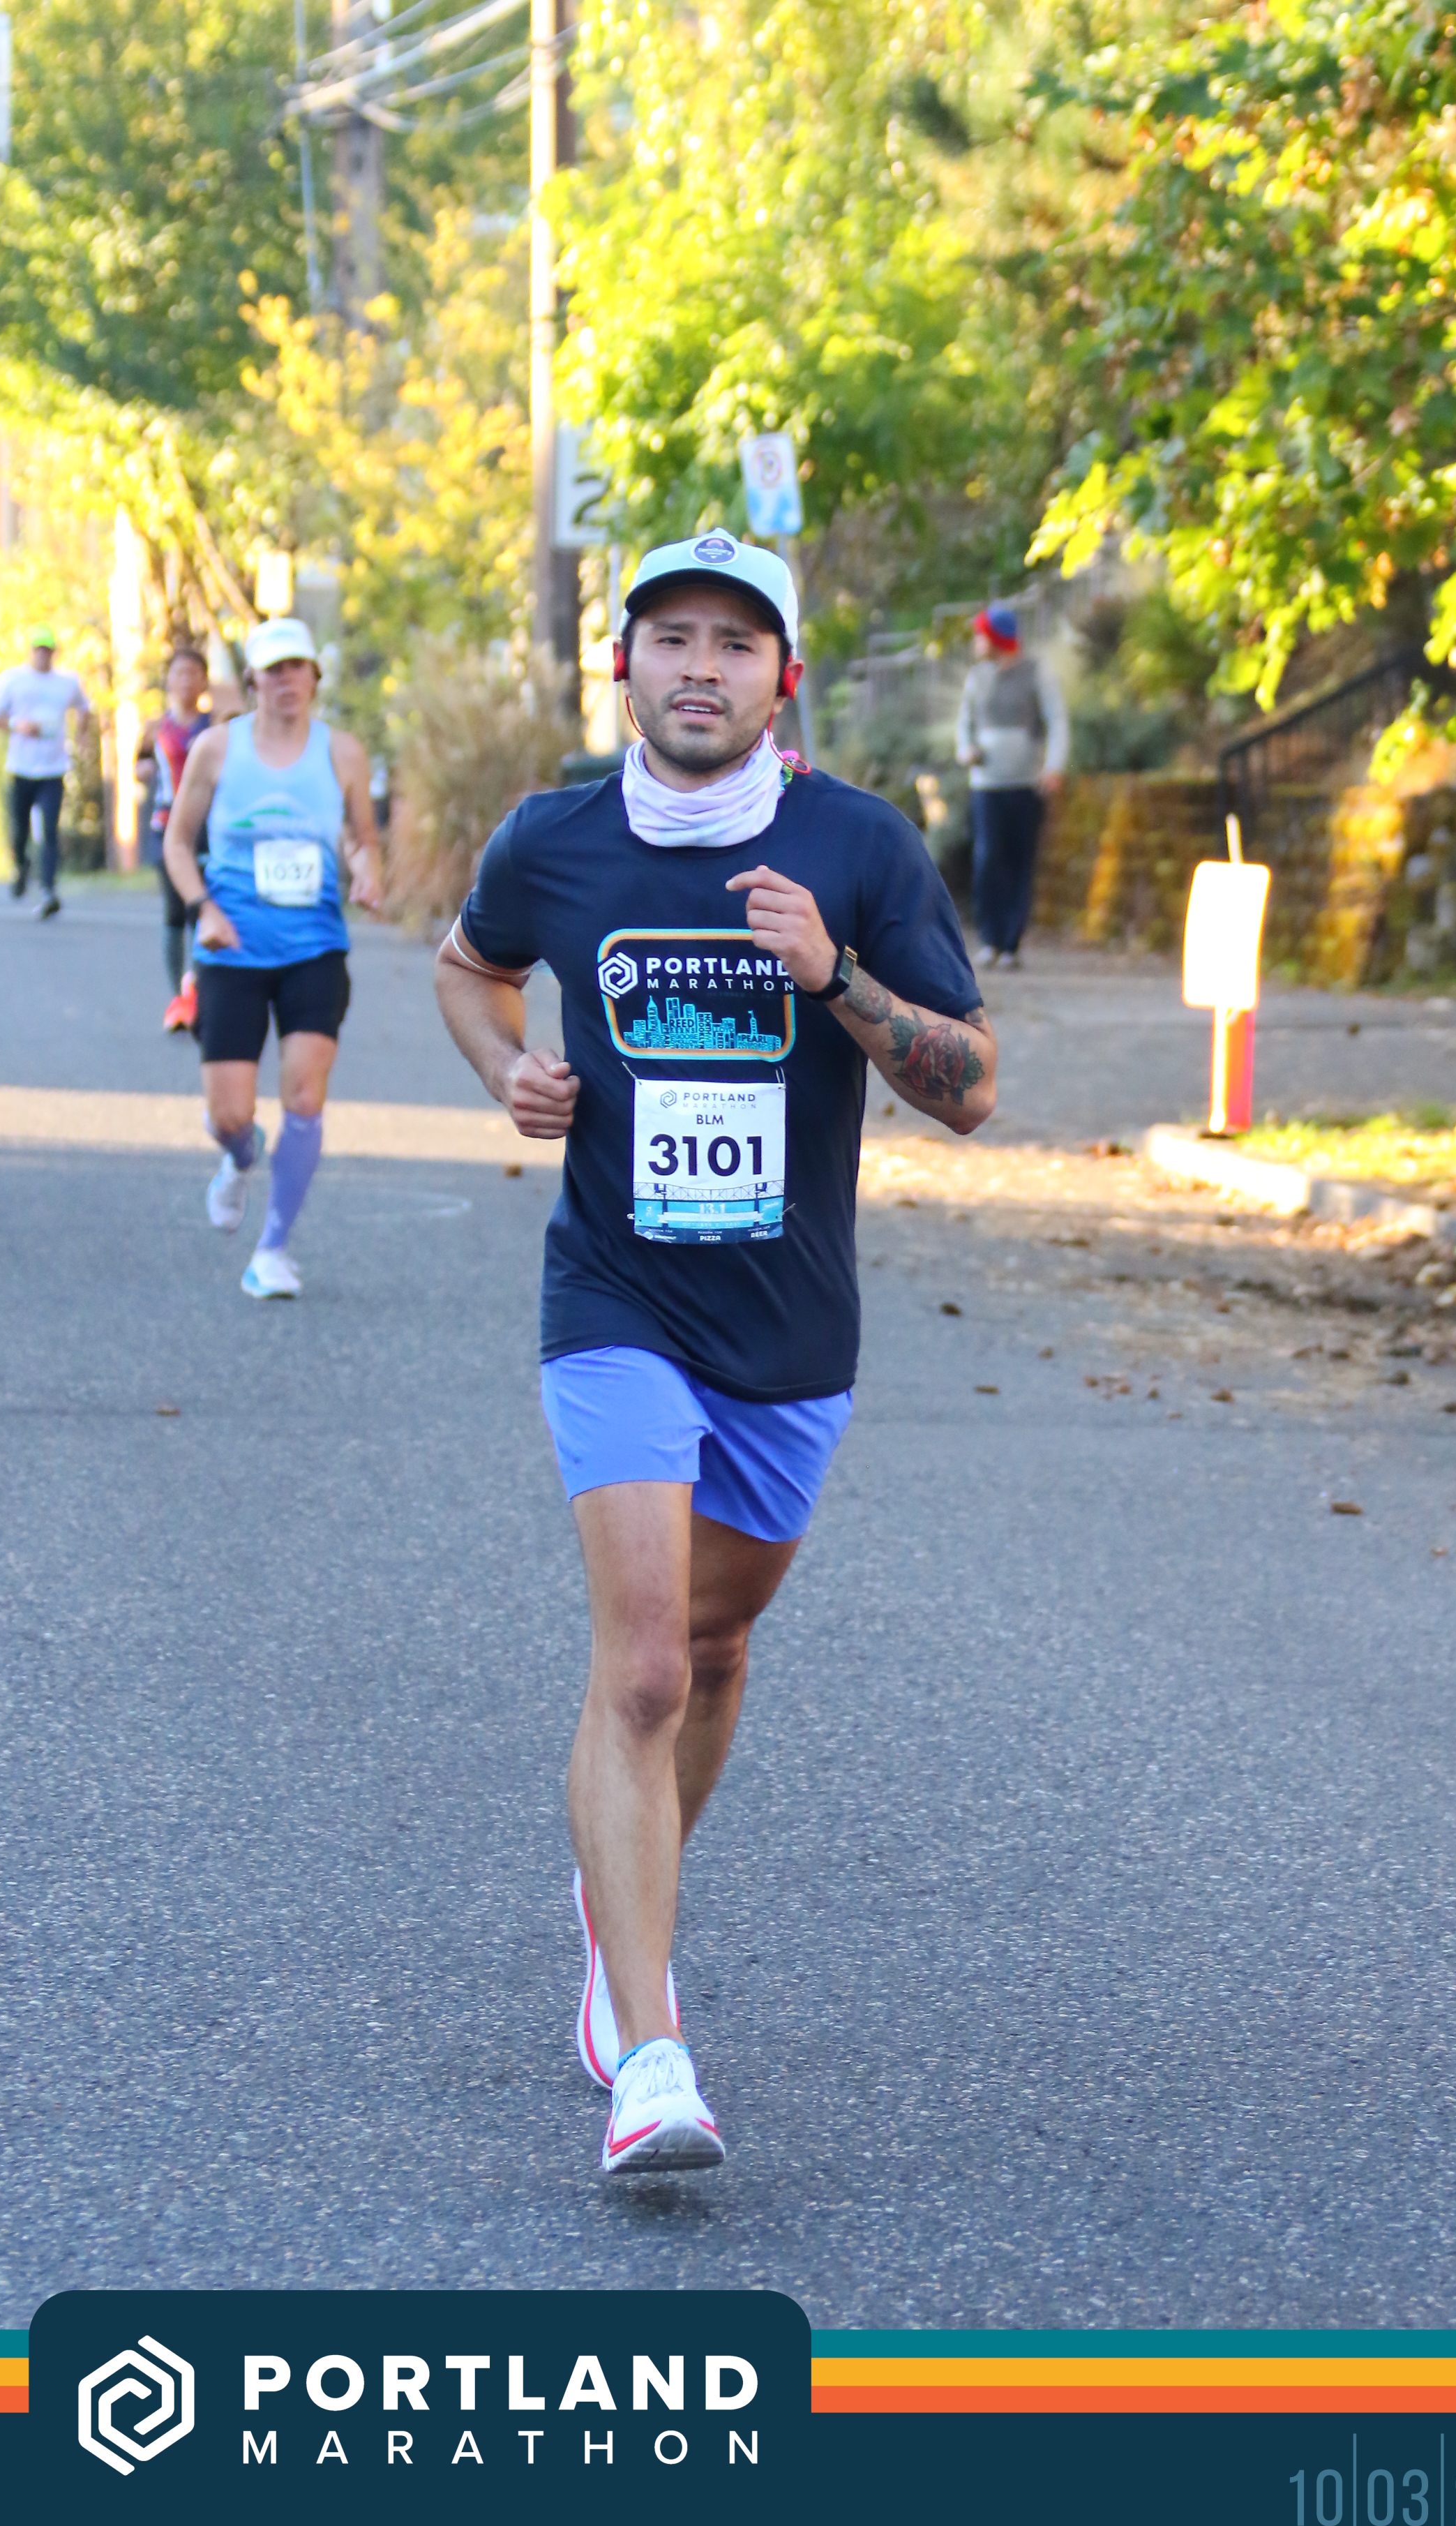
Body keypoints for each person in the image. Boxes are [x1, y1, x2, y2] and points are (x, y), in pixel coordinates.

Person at [434, 529, 997, 2174]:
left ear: (782, 679)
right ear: (623, 666)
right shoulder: (553, 839)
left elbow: (970, 1089)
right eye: (669, 636)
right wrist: (507, 1072)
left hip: (790, 1326)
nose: (699, 665)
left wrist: (835, 978)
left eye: (734, 643)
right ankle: (649, 2044)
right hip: (615, 1298)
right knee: (646, 1665)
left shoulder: (856, 846)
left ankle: (617, 1891)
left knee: (720, 1642)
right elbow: (469, 969)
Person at [161, 615, 381, 1300]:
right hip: (231, 948)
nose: (287, 680)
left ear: (314, 676)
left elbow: (361, 838)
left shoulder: (342, 752)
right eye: (274, 669)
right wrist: (204, 909)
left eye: (298, 667)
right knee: (230, 1116)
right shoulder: (216, 750)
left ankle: (273, 1250)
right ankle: (237, 1158)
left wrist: (366, 871)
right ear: (253, 681)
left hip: (315, 948)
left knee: (305, 1097)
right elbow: (177, 843)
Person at [954, 601, 1068, 970]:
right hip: (986, 785)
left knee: (1021, 860)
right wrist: (966, 750)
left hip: (1025, 784)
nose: (976, 642)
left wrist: (1053, 766)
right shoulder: (977, 678)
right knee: (988, 859)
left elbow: (1056, 720)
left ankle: (1011, 944)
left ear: (997, 639)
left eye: (981, 635)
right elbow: (965, 723)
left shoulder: (1036, 673)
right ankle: (990, 938)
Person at [0, 625, 91, 918]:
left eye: (48, 650)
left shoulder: (67, 682)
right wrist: (17, 725)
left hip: (53, 769)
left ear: (54, 652)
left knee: (50, 831)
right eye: (38, 649)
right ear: (31, 651)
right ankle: (21, 867)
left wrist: (82, 736)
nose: (43, 655)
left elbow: (85, 707)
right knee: (19, 831)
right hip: (21, 768)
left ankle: (48, 890)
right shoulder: (12, 680)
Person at [137, 642, 214, 1033]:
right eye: (179, 673)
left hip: (208, 829)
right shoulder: (154, 728)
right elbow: (139, 764)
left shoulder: (217, 727)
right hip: (167, 825)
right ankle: (177, 997)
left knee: (202, 908)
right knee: (173, 911)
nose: (186, 681)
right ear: (168, 680)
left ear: (205, 682)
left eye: (194, 673)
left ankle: (196, 992)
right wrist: (143, 771)